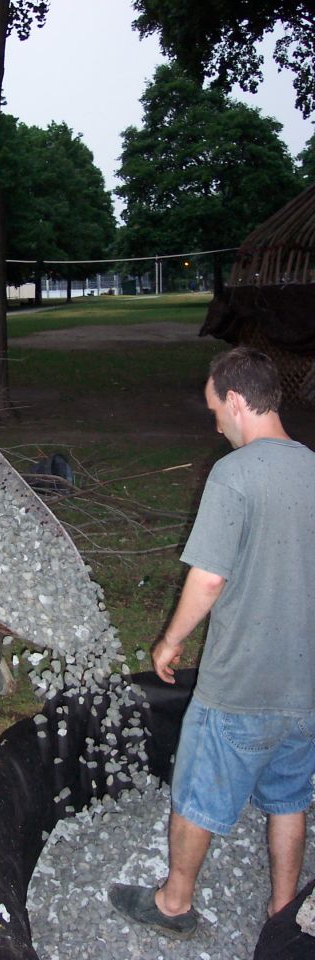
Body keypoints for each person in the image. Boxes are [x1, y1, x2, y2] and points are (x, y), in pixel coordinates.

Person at [109, 346, 315, 940]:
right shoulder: (312, 466)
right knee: (289, 800)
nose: (216, 424)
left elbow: (209, 578)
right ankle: (282, 914)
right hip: (305, 687)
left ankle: (174, 904)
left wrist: (170, 641)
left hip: (240, 685)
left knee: (198, 794)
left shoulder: (234, 473)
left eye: (215, 410)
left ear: (236, 399)